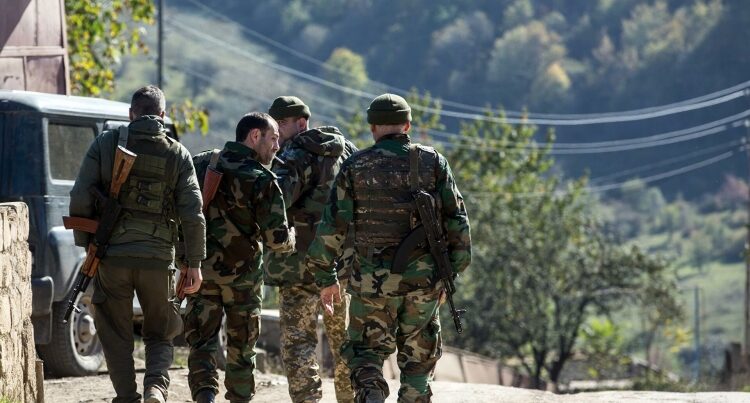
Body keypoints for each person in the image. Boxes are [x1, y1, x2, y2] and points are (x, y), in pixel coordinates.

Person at [306, 94, 472, 403]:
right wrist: (450, 276)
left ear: (372, 128)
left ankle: (370, 392)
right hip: (422, 283)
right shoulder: (434, 163)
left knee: (365, 353)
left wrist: (326, 278)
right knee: (418, 362)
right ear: (408, 125)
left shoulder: (355, 166)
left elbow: (331, 227)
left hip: (371, 284)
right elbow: (458, 224)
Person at [69, 85, 206, 403]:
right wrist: (194, 263)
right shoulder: (177, 153)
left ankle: (128, 397)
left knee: (115, 334)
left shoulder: (105, 144)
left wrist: (89, 244)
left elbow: (79, 196)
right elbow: (193, 213)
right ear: (163, 116)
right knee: (161, 331)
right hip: (159, 259)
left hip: (112, 257)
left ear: (131, 114)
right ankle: (156, 387)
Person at [184, 112, 296, 403]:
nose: (277, 147)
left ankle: (205, 396)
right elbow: (277, 241)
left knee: (202, 341)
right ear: (254, 136)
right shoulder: (262, 179)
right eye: (273, 139)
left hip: (201, 274)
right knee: (241, 347)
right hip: (243, 281)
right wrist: (292, 237)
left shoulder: (202, 164)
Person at [265, 96, 357, 403]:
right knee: (345, 341)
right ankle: (351, 398)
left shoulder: (293, 154)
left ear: (300, 123)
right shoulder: (349, 152)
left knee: (298, 342)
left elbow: (276, 200)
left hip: (298, 267)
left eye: (279, 126)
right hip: (340, 265)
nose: (275, 134)